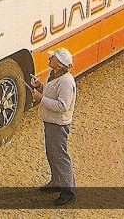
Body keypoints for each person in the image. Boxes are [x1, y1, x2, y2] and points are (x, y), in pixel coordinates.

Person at [30, 48, 77, 207]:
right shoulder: (55, 75)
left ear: (60, 64)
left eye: (54, 57)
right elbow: (52, 93)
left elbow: (63, 105)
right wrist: (41, 86)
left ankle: (68, 191)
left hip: (58, 124)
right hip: (51, 122)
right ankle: (57, 181)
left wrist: (41, 98)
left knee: (60, 157)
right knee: (52, 154)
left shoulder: (66, 82)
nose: (50, 58)